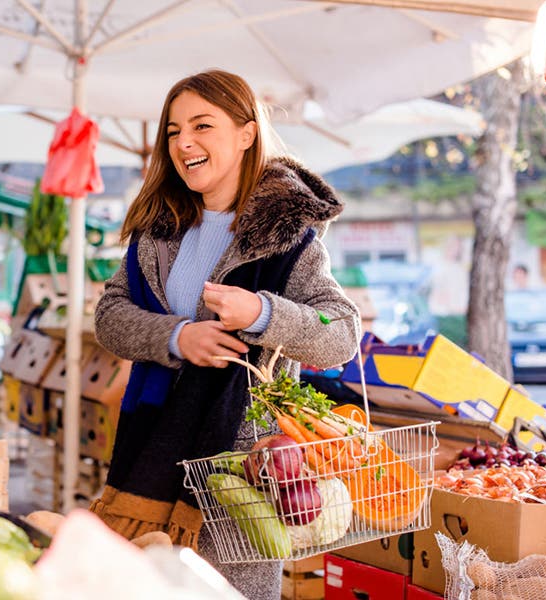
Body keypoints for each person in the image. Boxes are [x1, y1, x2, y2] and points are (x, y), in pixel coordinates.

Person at [90, 70, 359, 600]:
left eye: (201, 125)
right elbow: (109, 315)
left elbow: (342, 332)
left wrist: (262, 312)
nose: (182, 142)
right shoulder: (157, 229)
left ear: (246, 133)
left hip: (243, 469)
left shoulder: (289, 240)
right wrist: (176, 336)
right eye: (172, 131)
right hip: (151, 447)